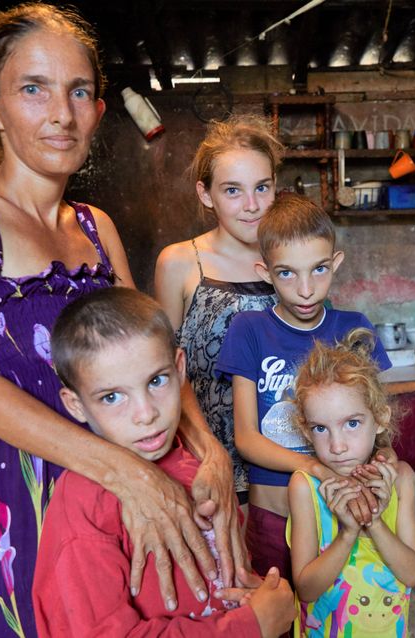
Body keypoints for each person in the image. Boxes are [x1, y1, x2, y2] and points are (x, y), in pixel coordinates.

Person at [0, 5, 241, 635]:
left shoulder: (96, 226)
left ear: (97, 109)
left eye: (79, 91)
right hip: (25, 488)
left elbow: (152, 355)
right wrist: (130, 476)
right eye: (33, 89)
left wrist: (209, 450)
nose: (62, 114)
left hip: (131, 483)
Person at [33, 287, 296, 637]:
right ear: (76, 405)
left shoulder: (200, 464)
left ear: (179, 368)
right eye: (112, 397)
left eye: (156, 381)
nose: (146, 414)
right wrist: (249, 625)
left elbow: (223, 582)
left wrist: (263, 596)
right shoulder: (83, 505)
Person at [215, 194, 392, 584]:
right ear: (266, 272)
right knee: (277, 616)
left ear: (337, 263)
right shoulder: (249, 330)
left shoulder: (355, 327)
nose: (307, 289)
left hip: (341, 513)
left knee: (336, 616)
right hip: (273, 516)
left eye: (319, 269)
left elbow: (378, 426)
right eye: (287, 273)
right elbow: (245, 438)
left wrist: (389, 466)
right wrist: (316, 469)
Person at [154, 116, 284, 505]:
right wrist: (201, 454)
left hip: (284, 466)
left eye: (262, 187)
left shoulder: (292, 259)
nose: (252, 206)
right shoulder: (180, 262)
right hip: (208, 464)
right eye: (232, 190)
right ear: (206, 194)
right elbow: (163, 370)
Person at [287, 328, 415, 637]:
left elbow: (413, 574)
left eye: (352, 423)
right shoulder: (304, 488)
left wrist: (374, 521)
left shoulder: (400, 478)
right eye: (321, 429)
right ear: (306, 432)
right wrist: (347, 534)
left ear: (380, 418)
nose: (337, 446)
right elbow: (306, 589)